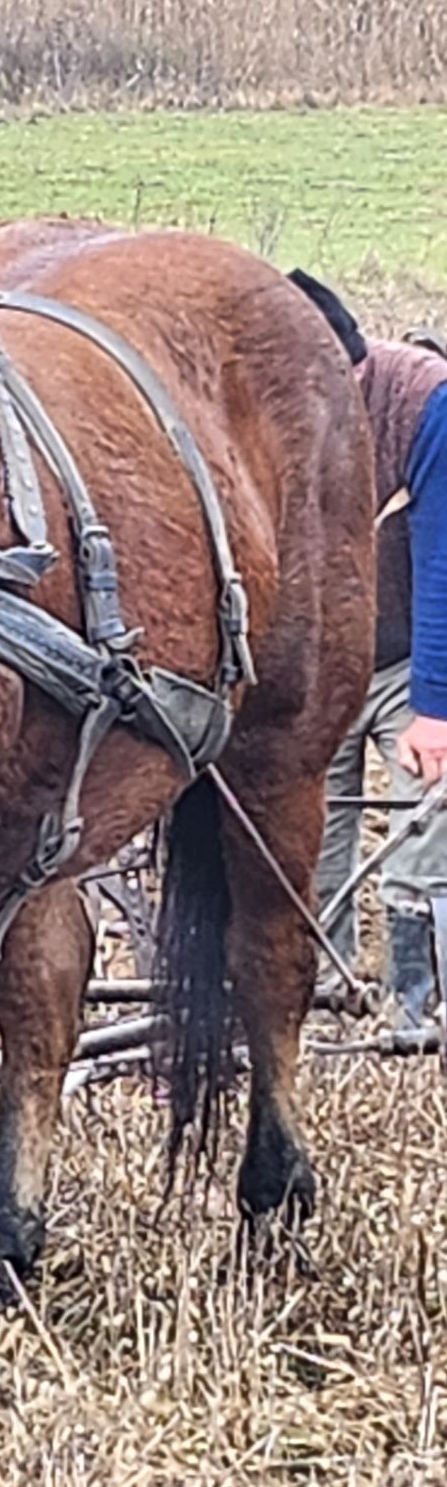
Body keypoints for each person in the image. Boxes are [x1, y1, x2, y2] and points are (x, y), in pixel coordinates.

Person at [290, 270, 447, 1021]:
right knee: (313, 845)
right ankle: (327, 990)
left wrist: (435, 710)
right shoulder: (266, 410)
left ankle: (418, 1004)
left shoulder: (425, 404)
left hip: (412, 660)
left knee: (425, 830)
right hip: (315, 667)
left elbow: (443, 560)